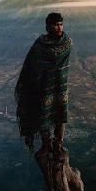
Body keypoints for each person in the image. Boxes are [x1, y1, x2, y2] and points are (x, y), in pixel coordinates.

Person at [14, 13, 72, 159]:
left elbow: (55, 59)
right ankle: (46, 145)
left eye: (61, 24)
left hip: (60, 87)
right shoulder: (39, 45)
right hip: (43, 87)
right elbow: (31, 65)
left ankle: (57, 145)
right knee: (43, 115)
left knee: (60, 115)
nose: (59, 27)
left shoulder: (67, 43)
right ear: (48, 27)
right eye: (55, 25)